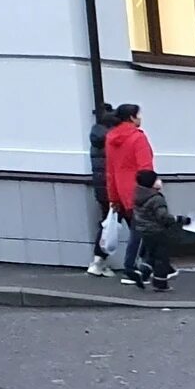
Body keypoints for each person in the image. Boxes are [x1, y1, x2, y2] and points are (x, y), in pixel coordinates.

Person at [103, 104, 154, 278]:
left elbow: (109, 171)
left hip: (122, 192)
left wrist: (113, 198)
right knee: (144, 231)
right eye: (138, 115)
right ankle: (132, 269)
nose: (141, 118)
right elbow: (145, 168)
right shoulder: (138, 138)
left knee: (141, 229)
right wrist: (151, 188)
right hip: (140, 190)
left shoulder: (111, 138)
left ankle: (156, 267)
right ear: (132, 117)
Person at [127, 169, 180, 291]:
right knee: (161, 258)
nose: (159, 181)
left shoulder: (138, 195)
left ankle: (142, 274)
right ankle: (160, 284)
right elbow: (162, 216)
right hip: (157, 231)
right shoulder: (156, 199)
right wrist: (178, 219)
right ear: (151, 182)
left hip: (144, 231)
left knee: (150, 256)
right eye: (157, 179)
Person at [85, 102, 117, 276]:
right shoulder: (112, 138)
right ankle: (142, 266)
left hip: (101, 187)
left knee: (107, 223)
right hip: (114, 187)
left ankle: (98, 261)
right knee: (137, 224)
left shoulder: (96, 137)